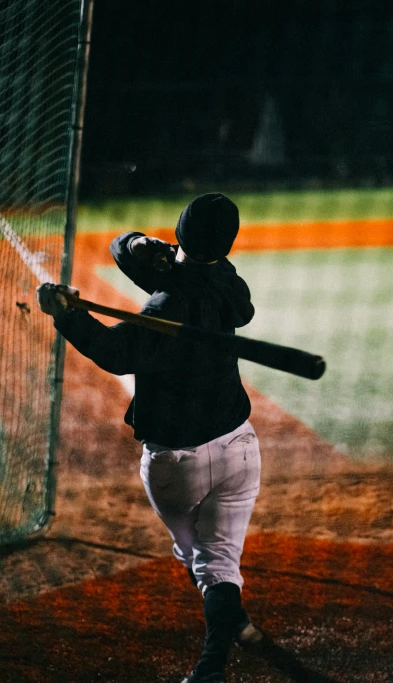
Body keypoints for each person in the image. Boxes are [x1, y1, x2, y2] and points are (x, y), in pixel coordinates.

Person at [37, 193, 263, 683]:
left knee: (199, 560)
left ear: (180, 233)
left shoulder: (164, 302)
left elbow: (116, 352)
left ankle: (210, 669)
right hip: (240, 448)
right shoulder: (230, 286)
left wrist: (67, 314)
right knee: (218, 561)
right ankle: (234, 620)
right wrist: (143, 247)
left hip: (175, 464)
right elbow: (132, 252)